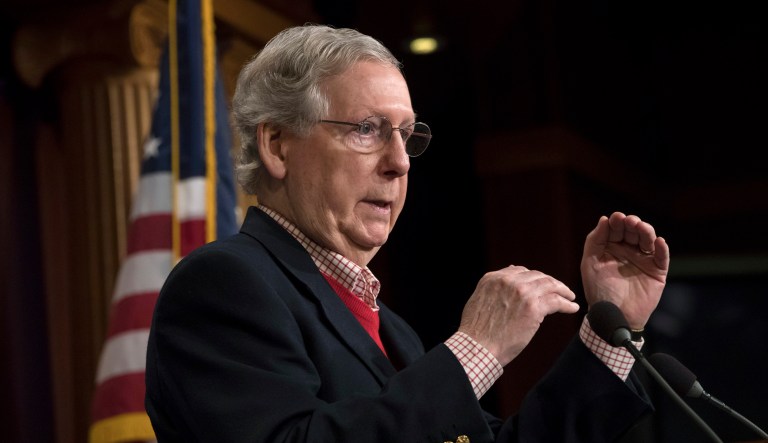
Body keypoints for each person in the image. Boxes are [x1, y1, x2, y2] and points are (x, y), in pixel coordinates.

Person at [145, 23, 670, 442]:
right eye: (367, 130)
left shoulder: (394, 333)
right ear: (278, 145)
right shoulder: (223, 284)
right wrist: (476, 351)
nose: (399, 163)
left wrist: (608, 332)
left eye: (406, 134)